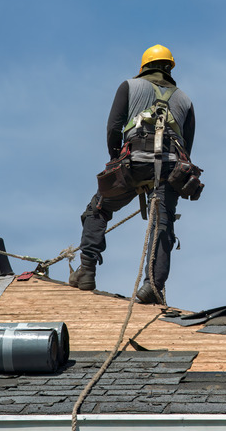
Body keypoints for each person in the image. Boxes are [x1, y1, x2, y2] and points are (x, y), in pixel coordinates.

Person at [69, 44, 196, 304]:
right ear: (170, 67)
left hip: (133, 162)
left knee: (98, 208)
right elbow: (188, 147)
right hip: (171, 168)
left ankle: (87, 272)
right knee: (162, 223)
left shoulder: (129, 86)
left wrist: (116, 160)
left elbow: (114, 127)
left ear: (143, 67)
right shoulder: (185, 99)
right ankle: (152, 285)